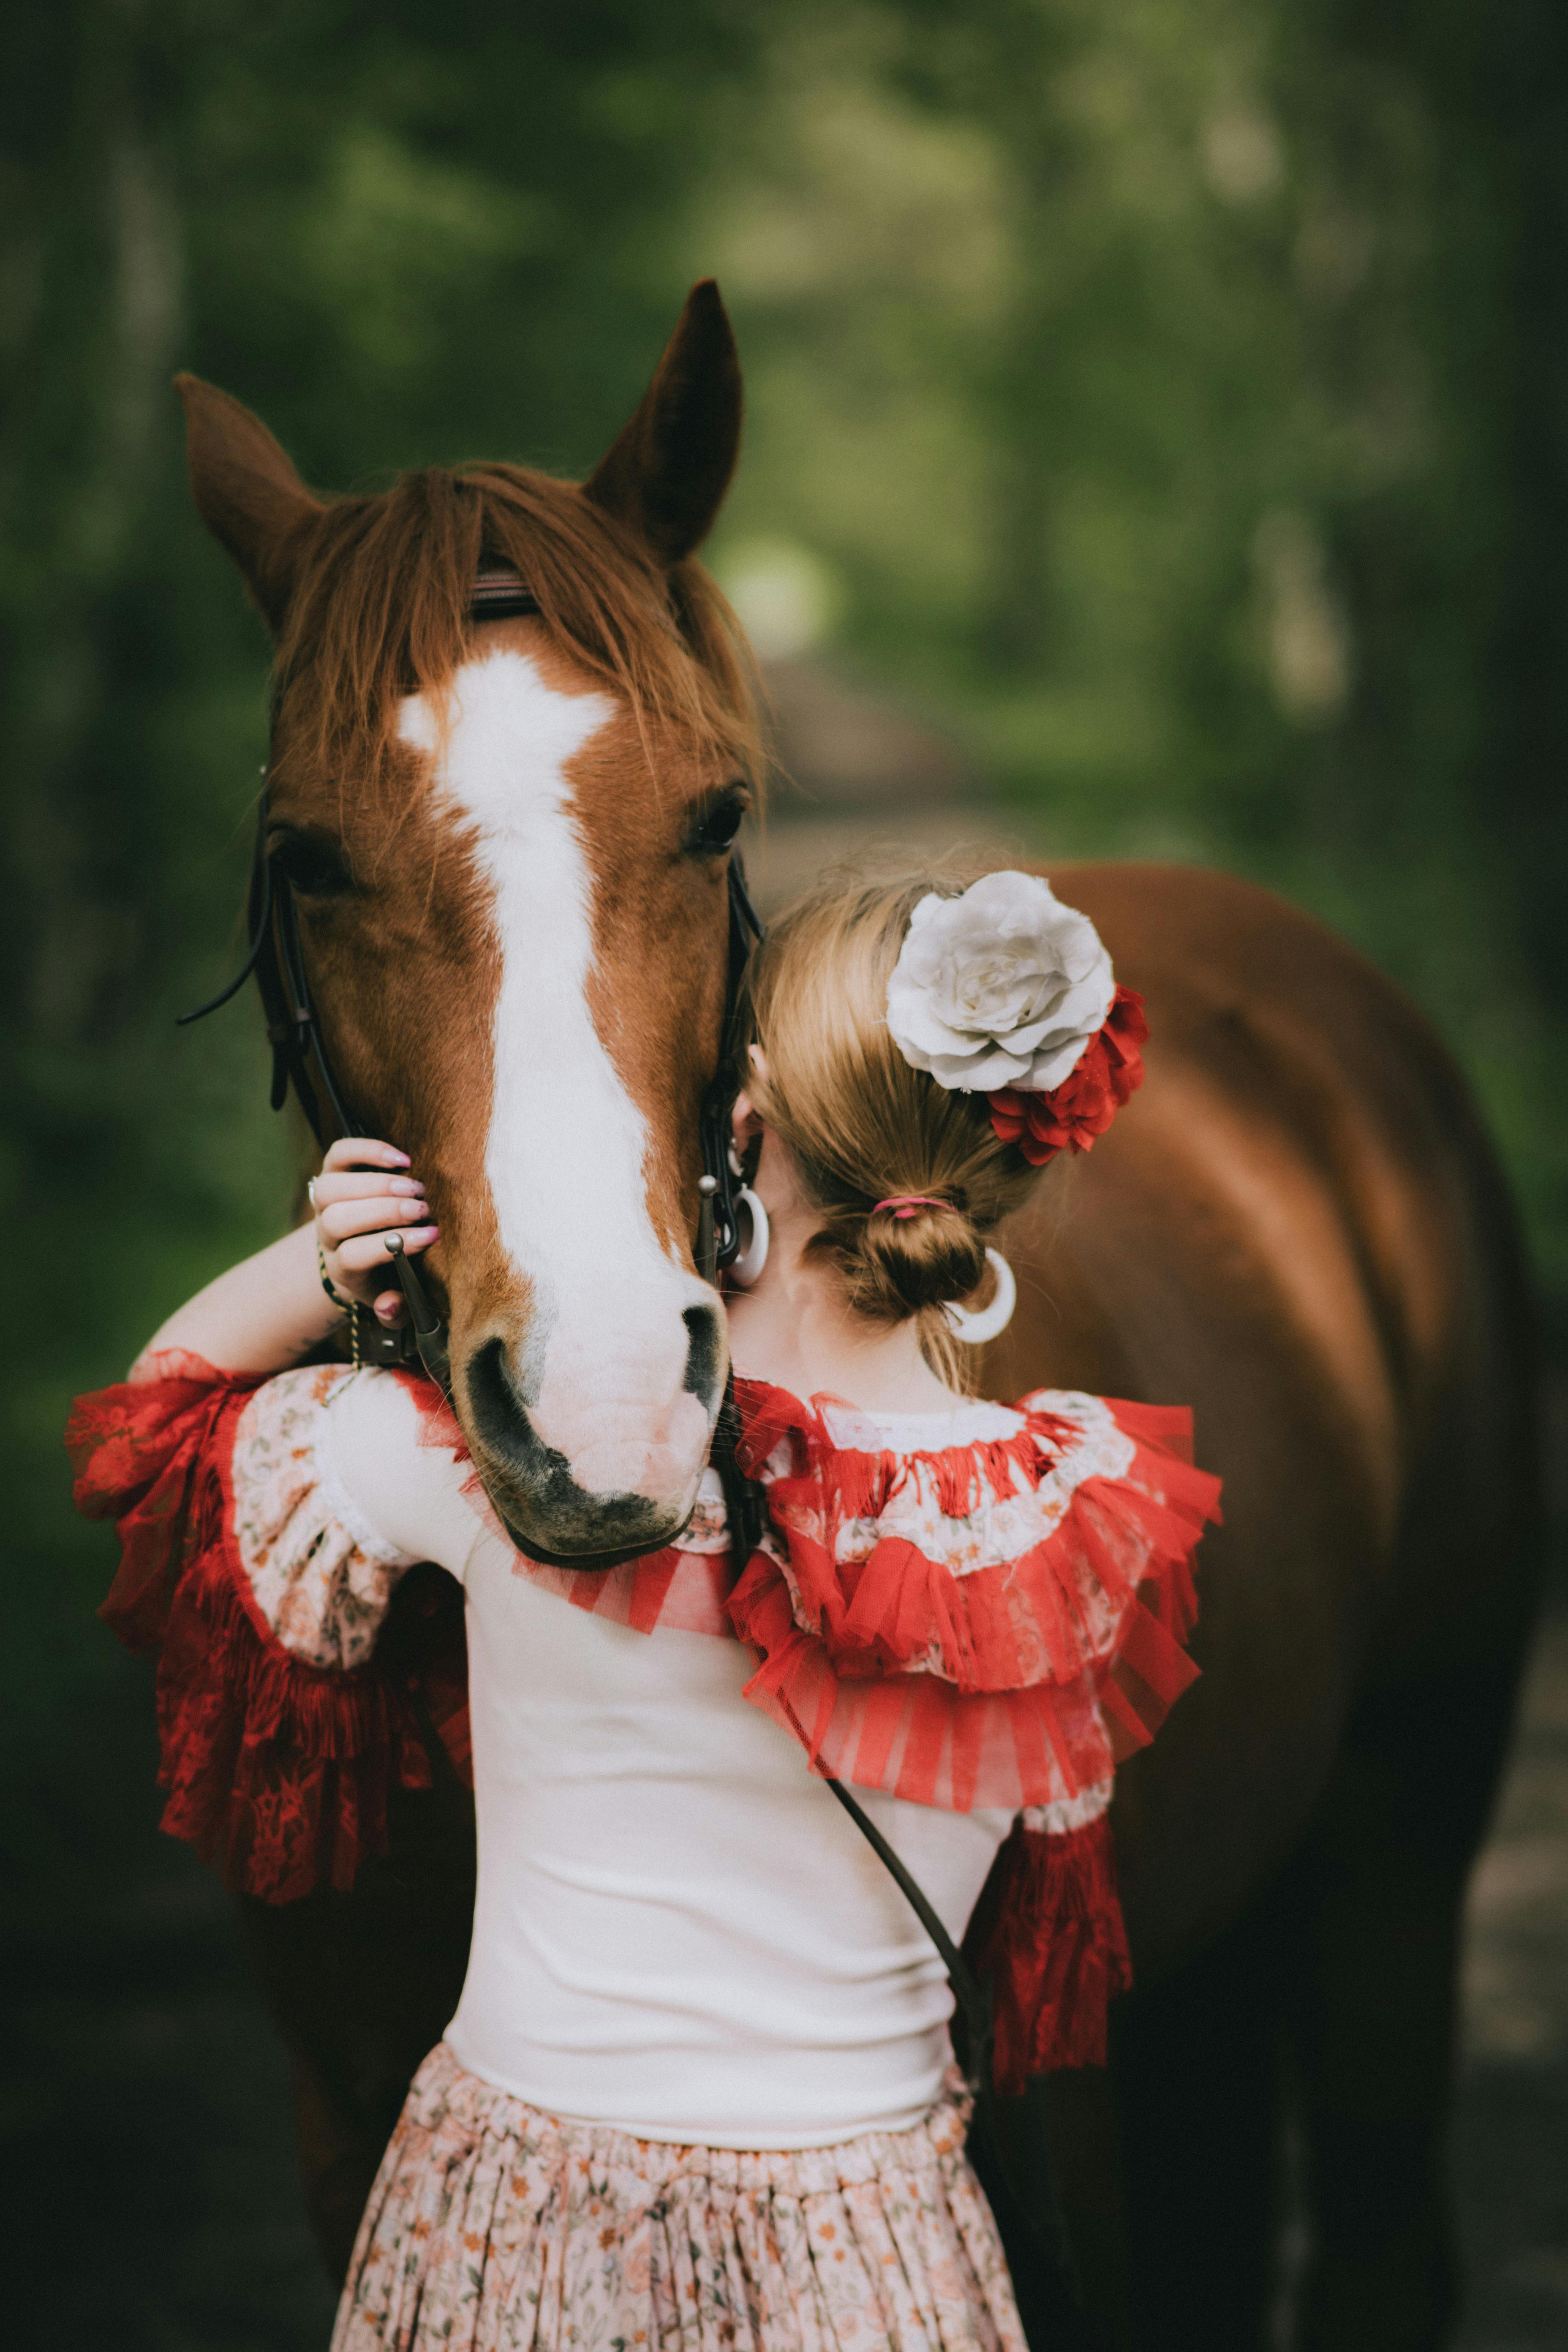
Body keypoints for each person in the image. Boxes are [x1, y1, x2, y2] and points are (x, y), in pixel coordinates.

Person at [68, 867, 1220, 2352]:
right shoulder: (1065, 1528)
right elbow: (1034, 1918)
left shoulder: (521, 1476)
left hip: (522, 2226)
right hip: (875, 2249)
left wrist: (322, 1261)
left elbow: (155, 1433)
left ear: (741, 1116)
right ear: (1002, 1171)